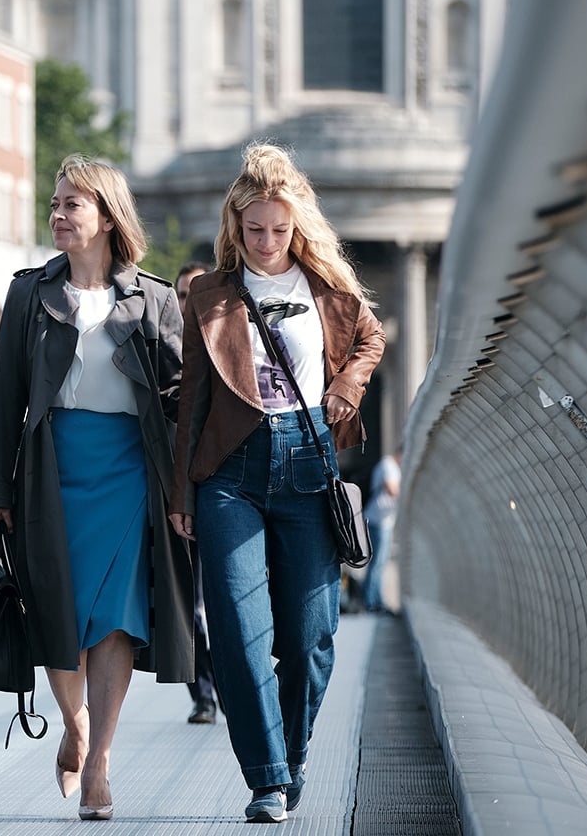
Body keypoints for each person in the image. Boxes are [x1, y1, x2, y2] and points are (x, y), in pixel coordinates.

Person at [169, 142, 386, 823]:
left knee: (311, 637)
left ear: (298, 226)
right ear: (236, 225)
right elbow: (193, 401)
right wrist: (181, 493)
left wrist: (347, 386)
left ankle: (292, 756)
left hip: (308, 460)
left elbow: (371, 340)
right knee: (237, 634)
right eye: (255, 229)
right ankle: (266, 781)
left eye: (279, 230)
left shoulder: (329, 288)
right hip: (229, 472)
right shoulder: (209, 294)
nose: (267, 243)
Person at [0, 154, 194, 823]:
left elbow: (179, 402)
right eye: (55, 203)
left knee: (115, 617)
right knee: (57, 612)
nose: (58, 214)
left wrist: (184, 491)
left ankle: (99, 758)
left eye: (72, 203)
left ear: (106, 216)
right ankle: (74, 725)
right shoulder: (28, 294)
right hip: (49, 470)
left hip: (128, 471)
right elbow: (5, 399)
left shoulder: (154, 298)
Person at [175, 261, 219, 728]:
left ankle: (229, 685)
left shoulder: (227, 345)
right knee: (189, 606)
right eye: (185, 295)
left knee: (222, 602)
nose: (192, 303)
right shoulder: (164, 353)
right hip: (177, 498)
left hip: (224, 492)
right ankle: (203, 695)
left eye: (199, 293)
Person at [363, 451, 401, 613]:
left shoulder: (390, 466)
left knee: (381, 562)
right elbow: (391, 489)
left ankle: (376, 600)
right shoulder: (388, 465)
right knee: (377, 562)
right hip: (378, 521)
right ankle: (370, 602)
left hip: (383, 521)